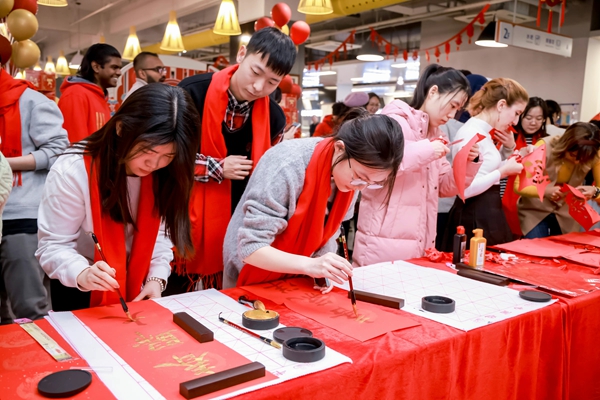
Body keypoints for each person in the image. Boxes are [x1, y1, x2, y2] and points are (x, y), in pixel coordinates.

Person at [36, 85, 199, 311]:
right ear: (122, 128)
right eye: (148, 151)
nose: (154, 164)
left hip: (139, 282)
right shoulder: (74, 170)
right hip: (81, 285)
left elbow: (161, 235)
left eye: (167, 156)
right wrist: (82, 272)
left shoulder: (165, 173)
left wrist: (156, 278)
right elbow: (53, 246)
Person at [222, 113, 405, 289]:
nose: (361, 187)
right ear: (340, 148)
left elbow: (329, 234)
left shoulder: (351, 179)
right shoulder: (287, 164)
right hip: (248, 271)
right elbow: (250, 247)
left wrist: (323, 269)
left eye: (373, 183)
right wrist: (310, 265)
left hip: (298, 277)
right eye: (359, 177)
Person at [175, 27, 296, 290]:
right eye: (256, 72)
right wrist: (217, 167)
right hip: (183, 212)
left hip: (237, 220)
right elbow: (167, 153)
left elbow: (270, 174)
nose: (258, 86)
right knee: (176, 292)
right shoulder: (191, 93)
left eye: (272, 82)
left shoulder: (275, 117)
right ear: (242, 54)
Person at [353, 65, 480, 266]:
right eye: (452, 105)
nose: (452, 114)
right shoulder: (395, 121)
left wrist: (467, 163)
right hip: (383, 243)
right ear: (433, 91)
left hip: (421, 240)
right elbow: (380, 166)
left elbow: (445, 187)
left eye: (458, 109)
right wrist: (428, 150)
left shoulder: (437, 134)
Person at [0, 65, 69, 323]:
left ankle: (47, 362)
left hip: (20, 215)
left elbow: (58, 150)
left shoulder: (31, 101)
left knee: (29, 308)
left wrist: (5, 164)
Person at [440, 78, 528, 250]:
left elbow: (483, 170)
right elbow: (465, 190)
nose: (516, 122)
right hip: (474, 216)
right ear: (501, 105)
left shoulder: (483, 132)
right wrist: (502, 172)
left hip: (485, 213)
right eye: (517, 113)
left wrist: (512, 158)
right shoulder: (471, 133)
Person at [516, 122, 600, 238]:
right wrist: (545, 191)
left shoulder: (595, 154)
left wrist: (595, 191)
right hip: (535, 209)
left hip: (567, 213)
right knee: (534, 249)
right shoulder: (544, 145)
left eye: (583, 159)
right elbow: (520, 185)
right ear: (565, 145)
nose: (576, 162)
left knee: (564, 251)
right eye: (572, 155)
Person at [436, 73, 487, 249]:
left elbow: (446, 182)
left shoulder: (462, 126)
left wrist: (469, 162)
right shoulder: (450, 126)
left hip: (443, 201)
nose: (452, 113)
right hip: (440, 205)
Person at [501, 97, 549, 236]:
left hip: (534, 205)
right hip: (506, 198)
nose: (533, 122)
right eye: (528, 117)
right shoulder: (509, 137)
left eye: (539, 118)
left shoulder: (546, 141)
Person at [59, 44, 122, 143]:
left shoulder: (102, 97)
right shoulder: (75, 94)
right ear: (96, 67)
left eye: (119, 68)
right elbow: (75, 146)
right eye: (114, 67)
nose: (119, 72)